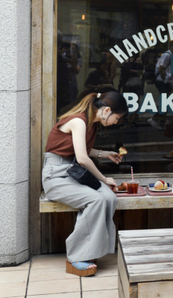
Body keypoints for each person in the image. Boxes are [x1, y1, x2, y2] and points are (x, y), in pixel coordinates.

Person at [42, 91, 128, 276]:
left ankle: (92, 249)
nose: (115, 122)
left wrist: (105, 154)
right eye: (117, 118)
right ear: (106, 110)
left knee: (109, 197)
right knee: (95, 200)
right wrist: (104, 179)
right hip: (56, 177)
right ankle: (76, 258)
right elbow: (81, 158)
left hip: (72, 174)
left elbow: (82, 150)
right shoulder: (79, 121)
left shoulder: (90, 123)